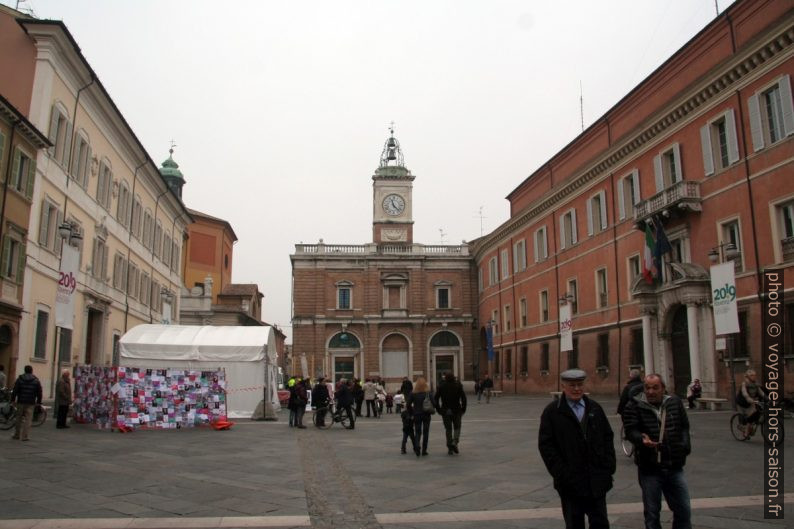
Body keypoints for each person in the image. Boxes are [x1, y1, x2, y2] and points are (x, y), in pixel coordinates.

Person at [538, 369, 615, 529]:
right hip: (570, 483)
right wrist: (561, 474)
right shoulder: (552, 412)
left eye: (580, 384)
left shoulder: (595, 408)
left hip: (596, 480)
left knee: (600, 523)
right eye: (572, 385)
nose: (576, 389)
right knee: (574, 524)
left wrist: (608, 467)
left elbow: (607, 437)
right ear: (563, 386)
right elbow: (546, 446)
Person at [623, 373, 692, 529]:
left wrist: (685, 446)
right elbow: (630, 430)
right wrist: (641, 439)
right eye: (647, 387)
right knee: (652, 514)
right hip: (650, 468)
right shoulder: (634, 405)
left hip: (674, 465)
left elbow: (684, 427)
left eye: (655, 387)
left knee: (684, 510)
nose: (651, 391)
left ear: (663, 389)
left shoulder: (674, 403)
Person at [434, 372, 467, 455]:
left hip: (445, 410)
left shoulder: (441, 386)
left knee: (448, 429)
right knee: (457, 427)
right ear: (453, 378)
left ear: (446, 378)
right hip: (456, 410)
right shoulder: (458, 386)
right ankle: (455, 442)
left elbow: (436, 399)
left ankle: (450, 448)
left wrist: (438, 409)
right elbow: (464, 398)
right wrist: (463, 409)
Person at [11, 365, 43, 441]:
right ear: (31, 371)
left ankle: (17, 434)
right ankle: (25, 436)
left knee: (18, 418)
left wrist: (12, 400)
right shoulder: (36, 380)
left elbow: (15, 390)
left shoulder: (20, 379)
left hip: (21, 401)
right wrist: (38, 402)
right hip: (30, 402)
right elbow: (39, 392)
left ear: (25, 370)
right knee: (28, 419)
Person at [407, 377, 434, 456]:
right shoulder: (428, 393)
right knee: (426, 432)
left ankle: (417, 446)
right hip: (426, 414)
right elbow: (434, 403)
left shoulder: (413, 393)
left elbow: (408, 404)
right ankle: (424, 450)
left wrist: (411, 412)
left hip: (417, 414)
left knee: (417, 432)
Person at [738, 369, 765, 437]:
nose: (754, 377)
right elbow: (745, 394)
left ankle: (751, 426)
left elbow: (761, 392)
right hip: (743, 402)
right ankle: (746, 431)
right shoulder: (744, 384)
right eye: (752, 375)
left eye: (755, 375)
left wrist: (768, 399)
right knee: (749, 417)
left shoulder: (755, 383)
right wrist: (751, 400)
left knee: (757, 413)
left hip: (752, 401)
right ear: (748, 376)